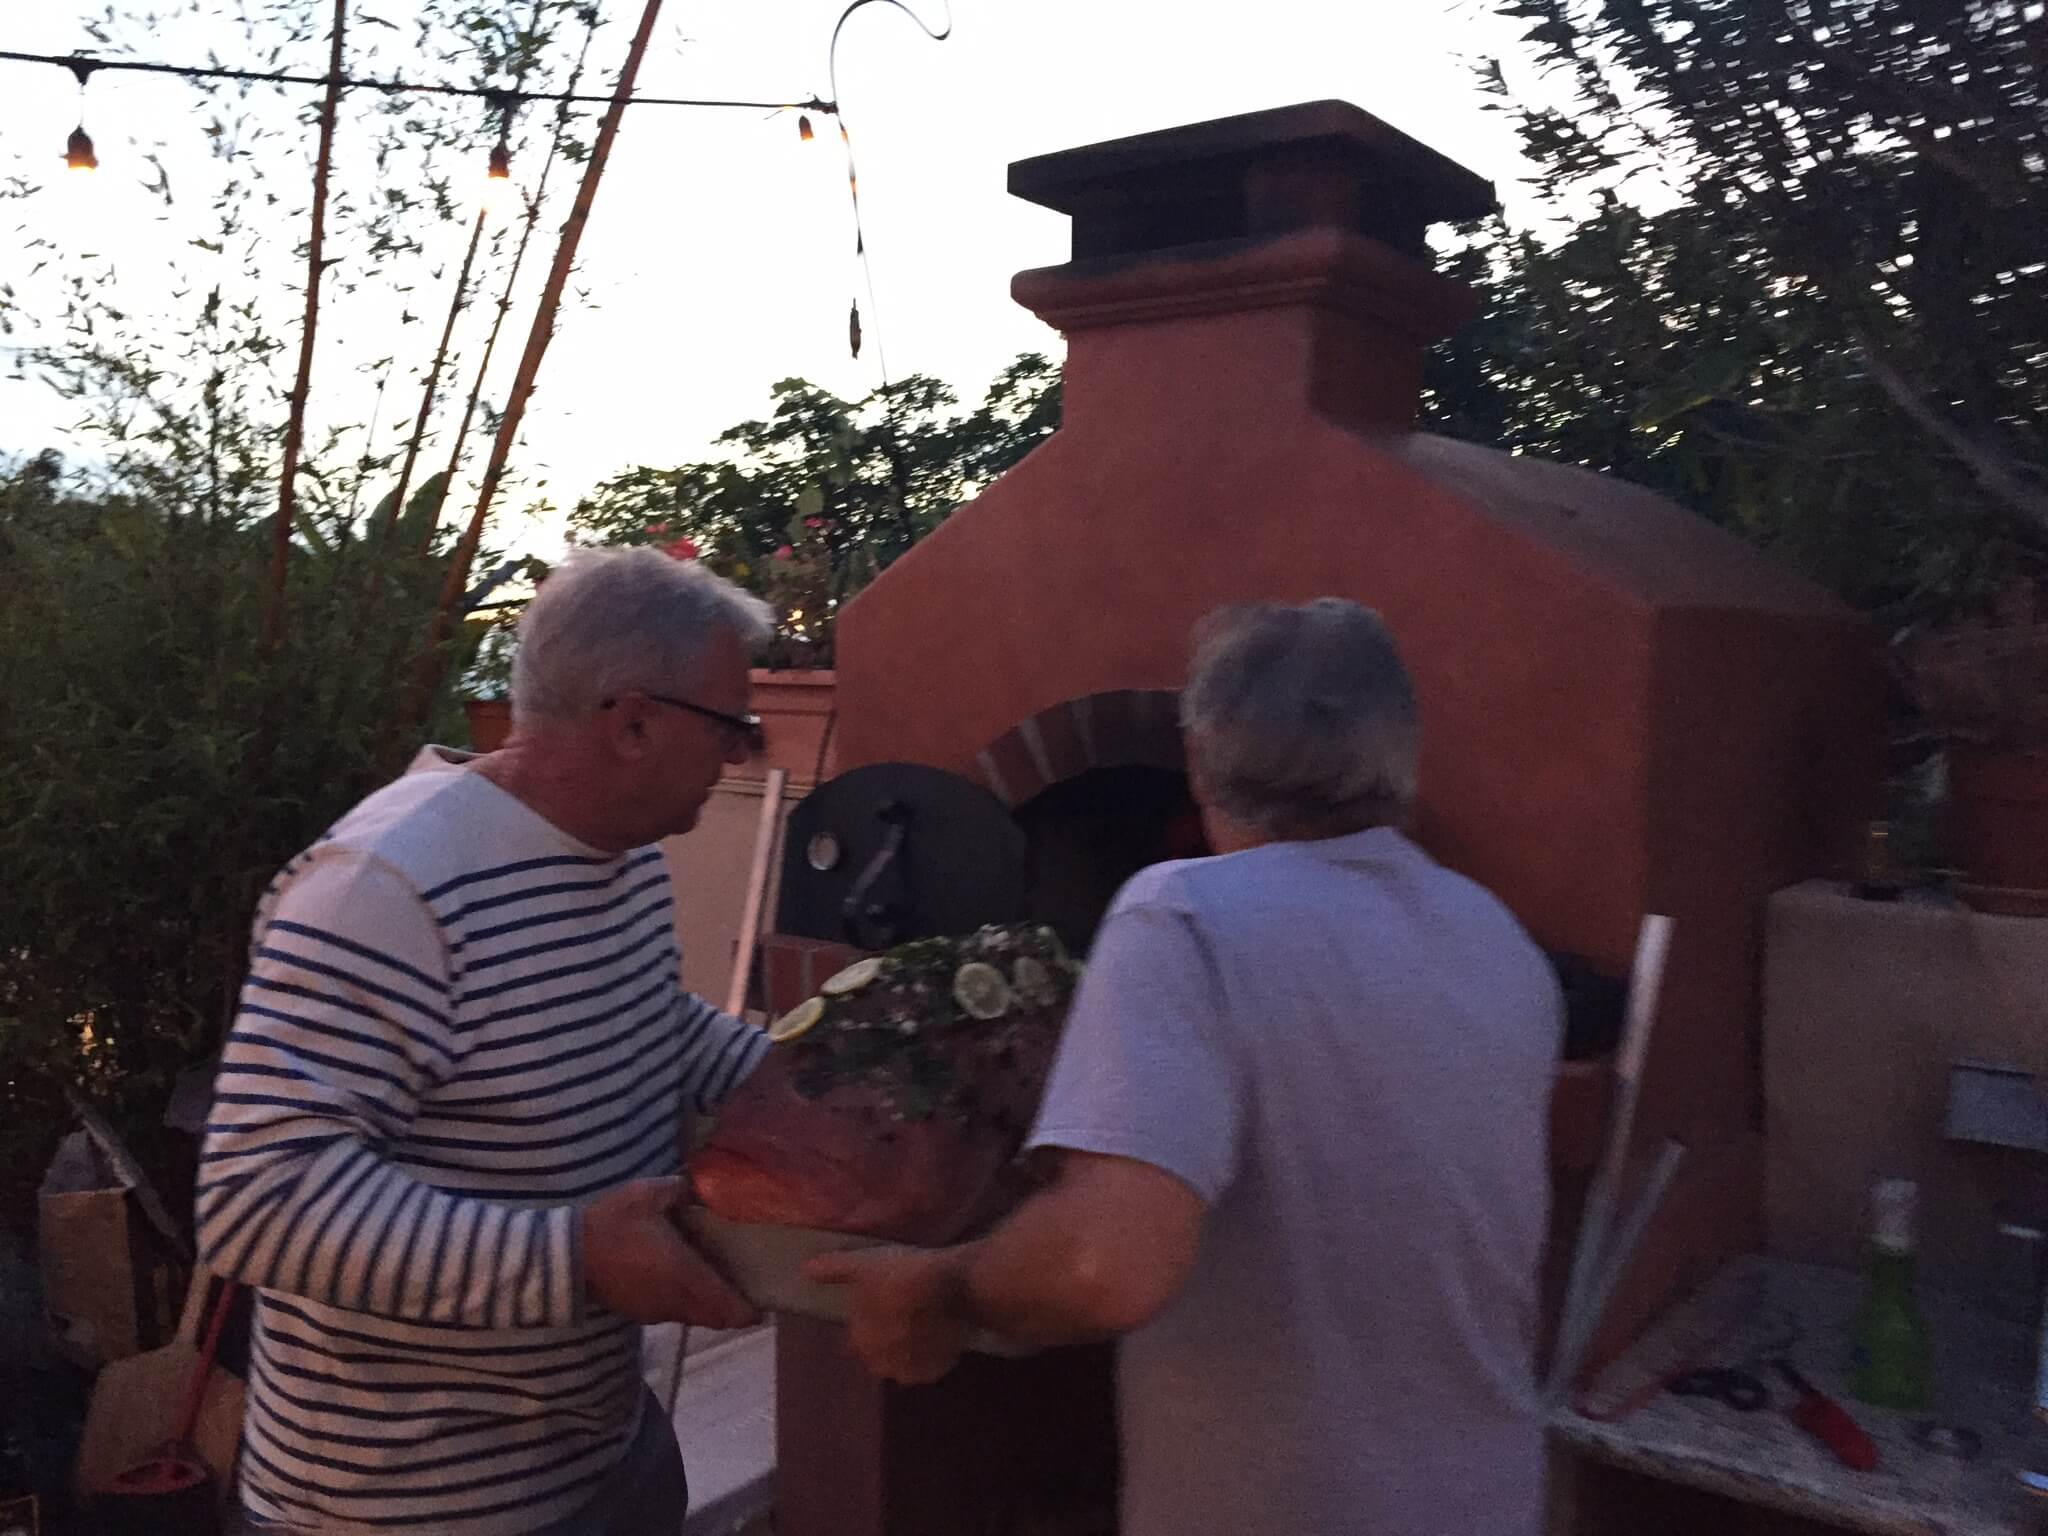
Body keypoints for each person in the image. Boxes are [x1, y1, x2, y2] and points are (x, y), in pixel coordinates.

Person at [807, 598, 1563, 1536]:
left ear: (1201, 752)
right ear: (1398, 755)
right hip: (1490, 1501)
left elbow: (1100, 1265)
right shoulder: (1494, 937)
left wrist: (943, 1290)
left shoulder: (1185, 915)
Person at [197, 547, 775, 1535]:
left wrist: (800, 1080)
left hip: (605, 1455)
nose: (742, 758)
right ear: (632, 721)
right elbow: (259, 1198)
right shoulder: (384, 887)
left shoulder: (621, 858)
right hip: (407, 1507)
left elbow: (641, 1018)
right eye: (732, 728)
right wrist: (576, 1259)